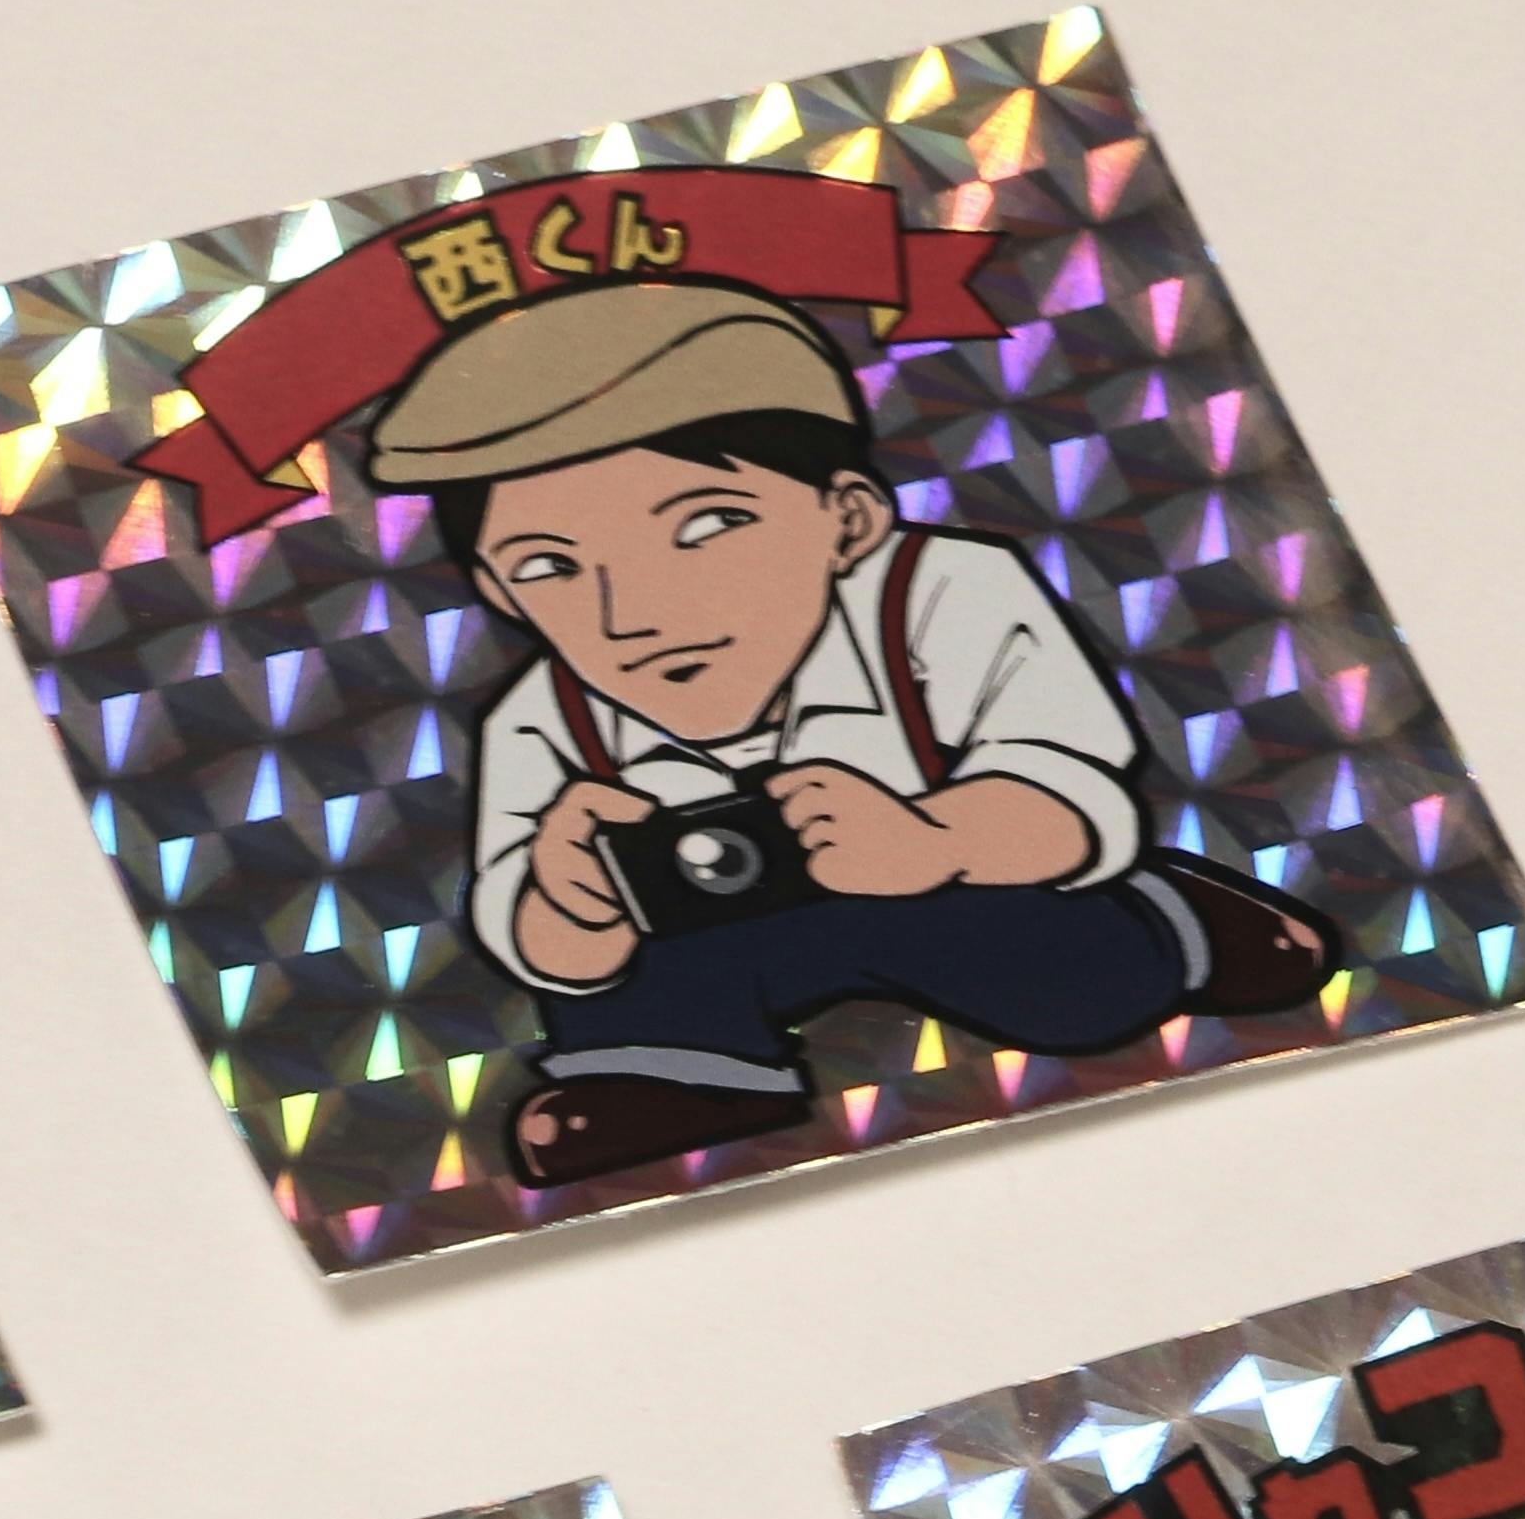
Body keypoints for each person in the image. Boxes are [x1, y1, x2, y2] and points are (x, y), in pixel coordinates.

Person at [362, 278, 1352, 1193]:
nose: (634, 614)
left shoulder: (948, 592)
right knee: (630, 990)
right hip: (721, 932)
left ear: (848, 518)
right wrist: (573, 903)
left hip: (956, 884)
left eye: (707, 525)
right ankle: (678, 1080)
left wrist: (936, 839)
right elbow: (530, 933)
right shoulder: (540, 715)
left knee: (1080, 986)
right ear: (497, 591)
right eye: (549, 567)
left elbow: (1063, 781)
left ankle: (1178, 925)